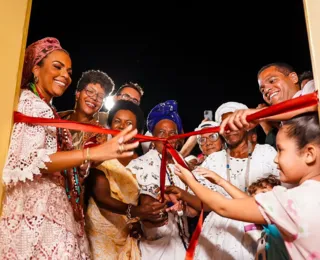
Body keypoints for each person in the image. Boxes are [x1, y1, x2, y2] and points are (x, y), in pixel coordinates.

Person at [0, 37, 138, 259]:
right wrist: (90, 154)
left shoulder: (96, 133)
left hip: (70, 210)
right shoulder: (45, 111)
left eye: (100, 98)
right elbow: (33, 159)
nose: (64, 75)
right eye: (57, 67)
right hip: (39, 209)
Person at [172, 112, 320, 259]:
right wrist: (219, 182)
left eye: (280, 150)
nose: (276, 159)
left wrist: (188, 179)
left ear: (309, 154)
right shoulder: (301, 197)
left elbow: (223, 206)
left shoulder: (289, 201)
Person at [85, 100, 167, 260]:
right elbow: (102, 198)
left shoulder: (143, 161)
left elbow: (145, 197)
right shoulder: (100, 153)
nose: (122, 126)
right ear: (109, 126)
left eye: (129, 123)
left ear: (137, 131)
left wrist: (152, 214)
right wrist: (136, 212)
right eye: (117, 121)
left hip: (128, 234)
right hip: (100, 231)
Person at [127, 100, 194, 260]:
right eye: (161, 133)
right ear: (153, 137)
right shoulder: (137, 165)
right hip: (154, 250)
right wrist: (142, 216)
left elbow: (194, 208)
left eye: (172, 133)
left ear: (178, 137)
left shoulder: (183, 166)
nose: (167, 138)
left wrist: (184, 205)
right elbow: (125, 208)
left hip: (185, 248)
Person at [220, 63, 316, 145]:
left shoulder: (311, 86)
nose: (266, 90)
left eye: (272, 81)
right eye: (262, 90)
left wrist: (259, 115)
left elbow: (311, 102)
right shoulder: (283, 124)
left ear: (293, 78)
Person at [59, 69, 115, 142]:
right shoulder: (58, 118)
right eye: (90, 91)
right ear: (78, 93)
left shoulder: (99, 134)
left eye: (100, 97)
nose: (94, 98)